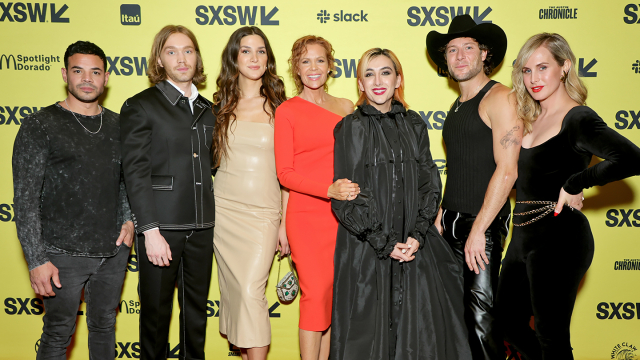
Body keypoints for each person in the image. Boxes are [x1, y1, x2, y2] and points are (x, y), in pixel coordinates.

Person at [495, 33, 640, 360]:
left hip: (560, 239)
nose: (533, 78)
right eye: (526, 71)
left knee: (551, 337)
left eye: (543, 67)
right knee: (506, 323)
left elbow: (631, 158)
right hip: (523, 237)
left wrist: (576, 182)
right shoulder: (530, 119)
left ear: (565, 68)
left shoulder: (579, 118)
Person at [330, 48, 471, 360]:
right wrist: (384, 241)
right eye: (369, 74)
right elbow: (346, 195)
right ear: (360, 85)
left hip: (413, 244)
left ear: (399, 79)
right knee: (366, 335)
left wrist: (417, 235)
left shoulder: (415, 124)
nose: (378, 80)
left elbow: (429, 182)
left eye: (385, 72)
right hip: (366, 248)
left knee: (421, 333)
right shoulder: (350, 127)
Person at [12, 41, 134, 360]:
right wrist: (37, 259)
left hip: (112, 251)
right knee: (57, 334)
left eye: (95, 72)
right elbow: (24, 200)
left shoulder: (120, 126)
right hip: (59, 255)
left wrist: (128, 218)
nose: (87, 79)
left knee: (105, 326)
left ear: (106, 77)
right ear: (65, 74)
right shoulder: (40, 125)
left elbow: (125, 180)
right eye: (78, 71)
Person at [426, 14, 521, 360]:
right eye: (453, 49)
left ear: (485, 55)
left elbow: (507, 171)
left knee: (482, 322)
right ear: (445, 59)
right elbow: (463, 167)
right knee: (456, 320)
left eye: (469, 47)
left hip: (481, 224)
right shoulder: (458, 104)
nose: (460, 55)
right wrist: (441, 214)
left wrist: (479, 228)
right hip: (451, 221)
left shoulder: (500, 98)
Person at [120, 25, 216, 360]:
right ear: (159, 59)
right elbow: (134, 172)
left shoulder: (209, 108)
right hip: (161, 229)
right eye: (171, 51)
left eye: (188, 50)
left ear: (197, 56)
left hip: (203, 228)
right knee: (156, 320)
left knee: (196, 320)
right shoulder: (141, 106)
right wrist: (149, 230)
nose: (181, 58)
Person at [274, 35, 358, 360]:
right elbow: (285, 174)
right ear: (296, 67)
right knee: (314, 295)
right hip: (307, 216)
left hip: (343, 218)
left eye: (320, 60)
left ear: (330, 65)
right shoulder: (287, 111)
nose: (313, 67)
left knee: (334, 298)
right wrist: (327, 191)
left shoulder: (347, 107)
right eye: (305, 61)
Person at [211, 26, 288, 360]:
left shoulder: (282, 108)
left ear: (268, 58)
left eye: (260, 51)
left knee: (250, 293)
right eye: (246, 50)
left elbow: (288, 175)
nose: (254, 57)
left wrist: (285, 224)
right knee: (235, 297)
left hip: (263, 215)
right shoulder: (219, 107)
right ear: (234, 57)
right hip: (223, 213)